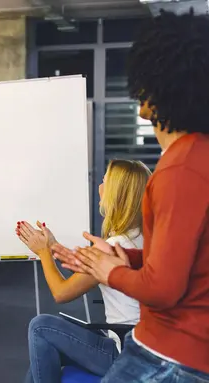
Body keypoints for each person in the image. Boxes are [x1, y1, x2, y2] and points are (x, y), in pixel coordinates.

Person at [53, 10, 209, 382]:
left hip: (170, 356)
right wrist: (128, 257)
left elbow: (164, 289)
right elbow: (189, 258)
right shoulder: (195, 156)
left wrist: (111, 271)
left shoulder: (180, 169)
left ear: (154, 92)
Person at [16, 159, 150, 382]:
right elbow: (86, 268)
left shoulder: (117, 244)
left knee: (41, 328)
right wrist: (53, 246)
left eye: (104, 181)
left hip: (125, 355)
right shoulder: (142, 239)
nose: (99, 187)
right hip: (138, 346)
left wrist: (43, 254)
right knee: (44, 352)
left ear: (116, 194)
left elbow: (62, 293)